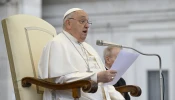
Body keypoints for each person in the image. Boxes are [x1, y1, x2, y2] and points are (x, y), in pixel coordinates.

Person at [38, 8, 125, 100]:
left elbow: (104, 85)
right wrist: (96, 77)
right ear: (68, 23)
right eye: (82, 21)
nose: (87, 25)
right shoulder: (57, 43)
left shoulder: (89, 48)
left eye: (88, 22)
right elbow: (60, 79)